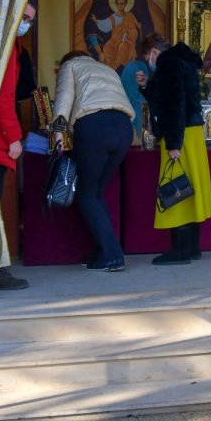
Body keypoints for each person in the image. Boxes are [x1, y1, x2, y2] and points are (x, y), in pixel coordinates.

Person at [50, 52, 135, 271]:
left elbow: (64, 96)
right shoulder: (105, 68)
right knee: (96, 193)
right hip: (124, 128)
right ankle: (100, 251)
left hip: (95, 126)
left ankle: (112, 255)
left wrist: (58, 132)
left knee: (86, 195)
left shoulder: (71, 66)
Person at [139, 35, 211, 264]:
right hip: (191, 133)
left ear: (152, 51)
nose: (147, 62)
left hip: (180, 134)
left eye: (146, 57)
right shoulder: (183, 61)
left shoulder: (168, 63)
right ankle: (192, 248)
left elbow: (174, 104)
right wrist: (146, 87)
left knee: (177, 186)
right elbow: (167, 97)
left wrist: (172, 143)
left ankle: (180, 251)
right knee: (190, 188)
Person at [0, 2, 37, 291]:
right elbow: (4, 98)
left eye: (30, 20)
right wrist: (14, 136)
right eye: (25, 17)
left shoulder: (10, 47)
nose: (27, 23)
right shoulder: (4, 50)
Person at [89, 0, 141, 70]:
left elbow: (134, 31)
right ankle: (110, 71)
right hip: (114, 42)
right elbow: (105, 25)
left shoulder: (129, 16)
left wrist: (128, 32)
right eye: (118, 3)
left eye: (122, 3)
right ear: (116, 4)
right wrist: (96, 21)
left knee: (122, 46)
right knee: (107, 48)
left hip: (127, 42)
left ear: (125, 4)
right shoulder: (113, 17)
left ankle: (119, 62)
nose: (120, 5)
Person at [120, 35, 154, 142]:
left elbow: (128, 92)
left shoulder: (131, 66)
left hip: (135, 114)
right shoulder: (138, 65)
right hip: (141, 114)